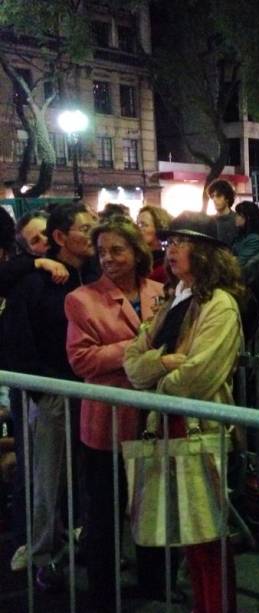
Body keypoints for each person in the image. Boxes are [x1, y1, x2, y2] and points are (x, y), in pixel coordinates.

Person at [124, 212, 244, 613]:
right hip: (167, 424)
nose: (171, 249)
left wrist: (154, 378)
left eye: (182, 242)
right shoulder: (173, 297)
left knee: (208, 539)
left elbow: (197, 377)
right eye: (169, 242)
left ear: (206, 253)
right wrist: (163, 363)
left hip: (199, 425)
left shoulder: (219, 306)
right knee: (191, 537)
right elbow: (131, 363)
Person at [64, 217, 164, 610]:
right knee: (104, 512)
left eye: (117, 250)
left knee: (152, 503)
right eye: (102, 251)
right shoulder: (81, 299)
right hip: (107, 421)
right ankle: (103, 592)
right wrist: (138, 352)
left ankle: (155, 582)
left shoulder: (161, 292)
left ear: (136, 252)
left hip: (153, 418)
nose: (108, 259)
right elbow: (82, 360)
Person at [2, 202, 98, 590]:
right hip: (52, 393)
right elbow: (19, 340)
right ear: (62, 238)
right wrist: (44, 391)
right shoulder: (34, 281)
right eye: (84, 229)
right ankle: (42, 553)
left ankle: (79, 537)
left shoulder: (92, 274)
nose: (92, 236)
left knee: (85, 474)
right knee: (46, 478)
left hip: (89, 392)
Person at [137, 205, 173, 283]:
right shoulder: (138, 260)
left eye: (144, 225)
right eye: (137, 224)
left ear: (159, 228)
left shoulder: (164, 265)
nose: (138, 229)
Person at [231, 200, 259, 267]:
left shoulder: (255, 239)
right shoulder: (242, 234)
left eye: (239, 215)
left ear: (248, 218)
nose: (236, 217)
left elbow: (239, 262)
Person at [207, 178, 237, 246]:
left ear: (227, 198)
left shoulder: (237, 220)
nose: (214, 199)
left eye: (218, 196)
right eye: (212, 196)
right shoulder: (209, 221)